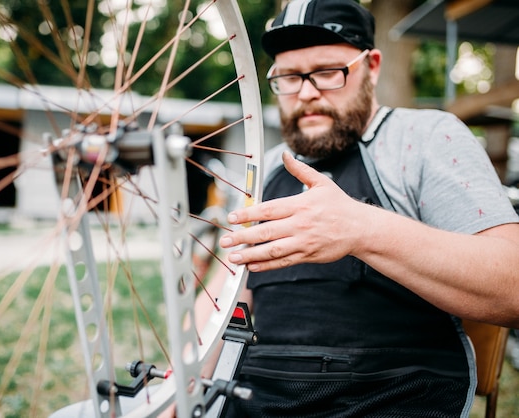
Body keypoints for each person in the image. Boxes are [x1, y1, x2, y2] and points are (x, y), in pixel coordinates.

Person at [206, 0, 519, 416]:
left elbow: (512, 286)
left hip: (386, 400)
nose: (306, 92)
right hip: (256, 401)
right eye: (288, 77)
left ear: (371, 66)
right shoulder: (266, 168)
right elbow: (219, 300)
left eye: (327, 73)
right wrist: (181, 387)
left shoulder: (423, 139)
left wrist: (362, 229)